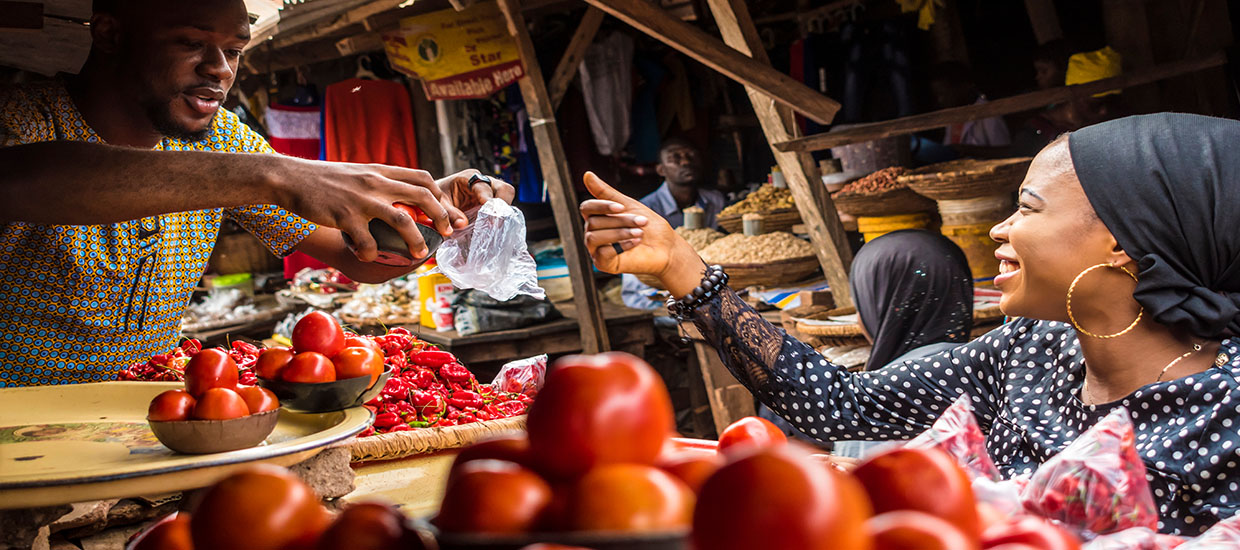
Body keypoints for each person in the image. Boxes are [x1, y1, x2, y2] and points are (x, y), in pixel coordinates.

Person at [581, 113, 1240, 534]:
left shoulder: (1227, 405)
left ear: (1120, 244)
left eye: (1029, 209)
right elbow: (839, 404)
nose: (998, 230)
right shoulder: (1026, 352)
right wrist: (681, 268)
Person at [0, 0, 513, 386]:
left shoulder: (223, 139)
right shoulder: (21, 120)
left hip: (149, 423)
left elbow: (358, 258)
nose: (219, 69)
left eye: (234, 51)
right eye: (190, 43)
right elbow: (22, 181)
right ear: (111, 33)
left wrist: (429, 219)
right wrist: (276, 174)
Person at [768, 230, 975, 453]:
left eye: (861, 303)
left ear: (879, 308)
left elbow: (856, 480)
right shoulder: (990, 363)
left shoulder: (872, 403)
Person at [620, 138, 724, 310]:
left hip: (703, 286)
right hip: (654, 293)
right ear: (661, 170)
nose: (685, 162)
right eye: (675, 158)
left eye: (690, 156)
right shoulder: (644, 210)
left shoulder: (715, 201)